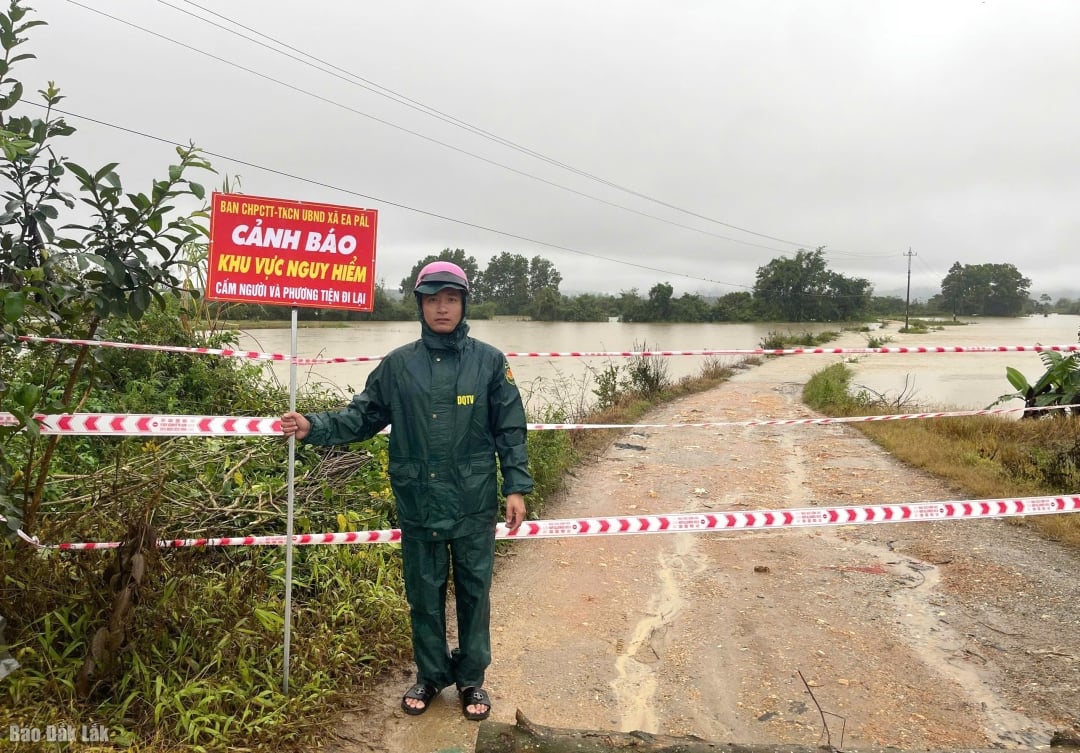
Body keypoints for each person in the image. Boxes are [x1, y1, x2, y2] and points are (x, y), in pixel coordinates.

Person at [280, 260, 531, 722]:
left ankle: (472, 679)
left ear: (462, 304)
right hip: (419, 499)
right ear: (420, 304)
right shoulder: (399, 365)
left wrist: (515, 486)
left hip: (474, 501)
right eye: (433, 299)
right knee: (424, 591)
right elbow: (362, 416)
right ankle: (432, 675)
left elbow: (510, 430)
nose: (442, 308)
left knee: (475, 592)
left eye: (450, 299)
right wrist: (313, 425)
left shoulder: (490, 362)